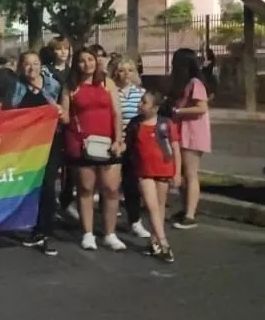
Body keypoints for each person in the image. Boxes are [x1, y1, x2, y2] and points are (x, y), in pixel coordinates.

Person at [60, 47, 125, 251]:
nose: (87, 64)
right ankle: (87, 233)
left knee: (111, 189)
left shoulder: (108, 83)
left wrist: (118, 139)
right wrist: (57, 113)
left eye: (90, 59)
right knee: (86, 188)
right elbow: (66, 116)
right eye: (81, 60)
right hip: (81, 143)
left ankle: (109, 233)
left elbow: (116, 113)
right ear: (76, 64)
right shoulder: (71, 86)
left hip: (107, 144)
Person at [11, 51, 62, 256]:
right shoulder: (16, 87)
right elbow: (10, 112)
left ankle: (45, 231)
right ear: (21, 67)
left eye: (35, 63)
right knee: (29, 185)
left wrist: (54, 107)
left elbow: (62, 112)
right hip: (25, 145)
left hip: (50, 143)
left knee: (47, 185)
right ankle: (29, 226)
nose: (31, 68)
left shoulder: (53, 85)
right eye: (27, 64)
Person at [125, 90, 178, 263]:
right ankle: (164, 242)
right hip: (144, 171)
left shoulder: (166, 124)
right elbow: (127, 146)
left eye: (144, 102)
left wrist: (177, 172)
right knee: (152, 206)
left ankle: (154, 240)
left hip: (163, 169)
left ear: (155, 108)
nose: (140, 104)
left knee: (160, 206)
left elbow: (175, 148)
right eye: (141, 100)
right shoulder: (135, 124)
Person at [167, 48, 210, 230]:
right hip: (184, 130)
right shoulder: (185, 84)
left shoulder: (195, 83)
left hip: (194, 132)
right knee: (185, 174)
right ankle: (185, 209)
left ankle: (191, 215)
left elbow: (202, 108)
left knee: (191, 174)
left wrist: (178, 111)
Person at [111, 58, 151, 239]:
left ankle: (135, 221)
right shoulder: (111, 92)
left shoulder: (141, 93)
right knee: (110, 185)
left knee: (131, 185)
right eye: (121, 70)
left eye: (130, 70)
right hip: (116, 142)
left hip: (135, 145)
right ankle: (108, 222)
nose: (126, 74)